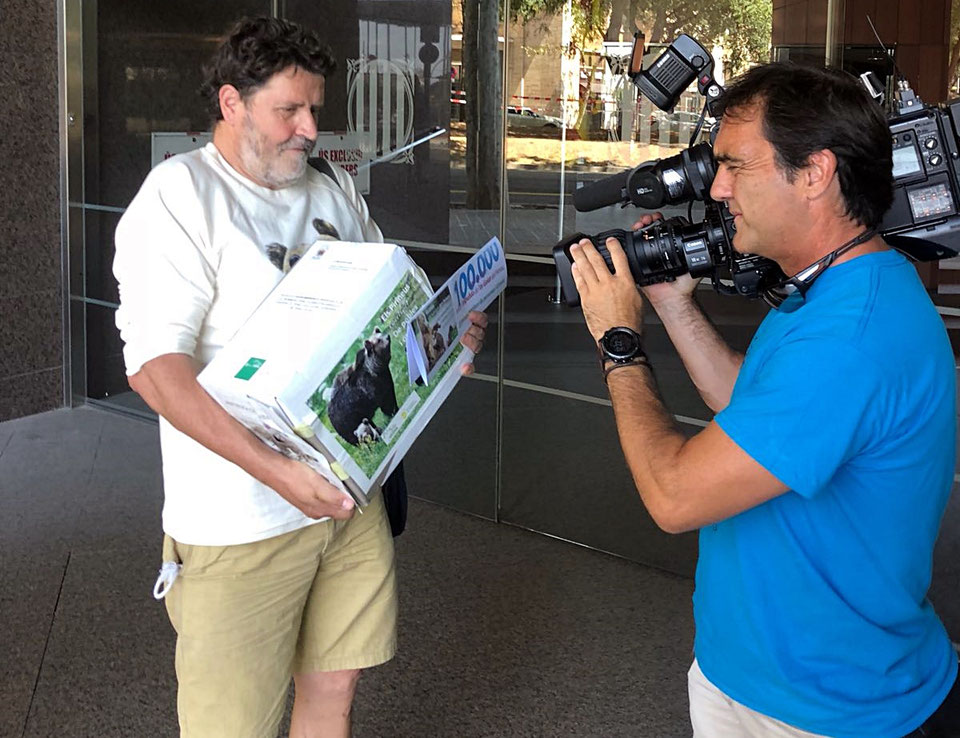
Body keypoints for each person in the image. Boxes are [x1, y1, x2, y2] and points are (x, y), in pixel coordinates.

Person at [113, 16, 486, 738]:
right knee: (234, 724)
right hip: (242, 521)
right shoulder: (180, 198)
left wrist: (443, 341)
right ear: (231, 103)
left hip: (349, 500)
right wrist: (277, 474)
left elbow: (388, 303)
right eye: (288, 110)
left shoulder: (330, 190)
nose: (309, 129)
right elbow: (156, 372)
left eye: (314, 109)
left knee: (332, 691)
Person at [569, 63, 959, 737]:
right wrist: (671, 308)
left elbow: (674, 496)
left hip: (826, 707)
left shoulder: (850, 340)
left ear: (814, 174)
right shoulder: (832, 287)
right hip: (753, 674)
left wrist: (620, 343)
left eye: (735, 167)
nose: (717, 189)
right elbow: (752, 408)